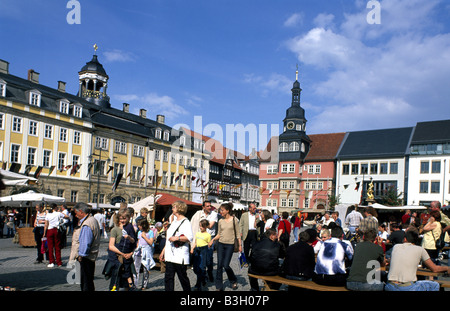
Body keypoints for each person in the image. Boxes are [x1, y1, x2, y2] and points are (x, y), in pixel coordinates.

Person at [385, 228, 450, 291]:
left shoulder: (396, 246)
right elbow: (434, 269)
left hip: (390, 286)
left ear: (405, 239)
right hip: (407, 287)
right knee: (435, 285)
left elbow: (391, 261)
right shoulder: (420, 249)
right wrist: (447, 268)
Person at [159, 201, 193, 291]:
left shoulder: (186, 222)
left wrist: (177, 238)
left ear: (179, 208)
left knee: (183, 278)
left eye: (173, 207)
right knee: (168, 278)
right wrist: (163, 251)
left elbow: (190, 237)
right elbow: (168, 239)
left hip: (179, 255)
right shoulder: (173, 222)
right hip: (170, 255)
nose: (172, 209)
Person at [209, 202, 242, 291]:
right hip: (221, 244)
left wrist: (240, 245)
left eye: (222, 210)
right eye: (220, 210)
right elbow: (219, 234)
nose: (220, 211)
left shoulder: (234, 220)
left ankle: (233, 280)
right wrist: (213, 240)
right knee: (219, 265)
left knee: (226, 265)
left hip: (230, 245)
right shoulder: (220, 221)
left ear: (227, 211)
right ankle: (219, 286)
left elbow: (238, 234)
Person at [103, 208, 137, 291]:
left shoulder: (130, 228)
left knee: (128, 285)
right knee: (115, 283)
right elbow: (111, 246)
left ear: (129, 218)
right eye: (121, 218)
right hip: (117, 259)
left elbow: (134, 243)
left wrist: (131, 253)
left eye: (124, 218)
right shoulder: (115, 229)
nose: (122, 220)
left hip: (127, 259)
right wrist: (122, 254)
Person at [69, 202, 101, 291]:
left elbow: (86, 243)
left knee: (86, 282)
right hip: (90, 256)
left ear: (80, 211)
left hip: (86, 257)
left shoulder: (87, 223)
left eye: (76, 213)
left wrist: (81, 255)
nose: (75, 215)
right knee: (88, 281)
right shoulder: (92, 220)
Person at [190, 200, 218, 282]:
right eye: (207, 206)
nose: (210, 207)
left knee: (209, 258)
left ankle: (209, 272)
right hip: (200, 237)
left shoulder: (214, 214)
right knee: (200, 259)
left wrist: (203, 221)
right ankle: (202, 275)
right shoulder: (198, 214)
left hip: (210, 238)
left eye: (210, 206)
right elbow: (193, 223)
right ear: (203, 207)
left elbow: (210, 226)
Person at [133, 218, 156, 290]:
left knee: (146, 269)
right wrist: (136, 249)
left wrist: (145, 237)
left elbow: (151, 242)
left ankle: (144, 285)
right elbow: (138, 241)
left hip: (147, 251)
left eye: (139, 225)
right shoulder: (139, 232)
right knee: (136, 269)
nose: (138, 226)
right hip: (139, 251)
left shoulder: (150, 232)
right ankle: (135, 285)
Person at [191, 219, 212, 291]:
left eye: (202, 226)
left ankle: (198, 285)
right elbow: (195, 242)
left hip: (204, 250)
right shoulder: (197, 233)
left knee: (201, 267)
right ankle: (203, 277)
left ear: (206, 226)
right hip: (197, 250)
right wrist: (192, 248)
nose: (200, 228)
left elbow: (209, 245)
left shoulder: (208, 235)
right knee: (195, 268)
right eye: (200, 226)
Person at [43, 203, 64, 267]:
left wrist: (44, 233)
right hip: (56, 230)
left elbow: (46, 225)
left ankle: (51, 262)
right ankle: (59, 262)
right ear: (55, 207)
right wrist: (60, 212)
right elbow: (66, 216)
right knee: (57, 247)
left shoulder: (48, 215)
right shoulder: (58, 213)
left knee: (50, 247)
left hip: (49, 230)